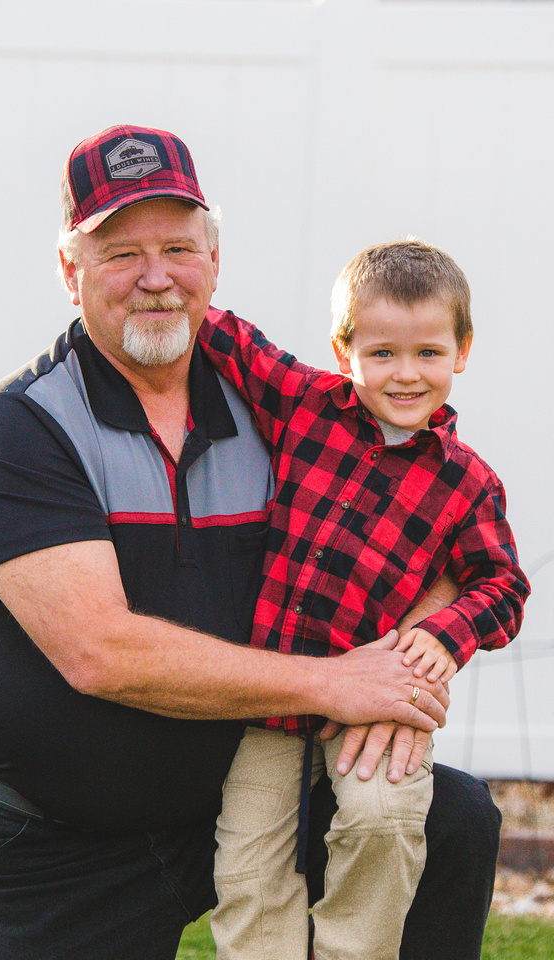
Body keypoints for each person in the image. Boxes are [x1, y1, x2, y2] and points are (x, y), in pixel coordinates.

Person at [0, 124, 497, 960]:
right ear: (70, 272)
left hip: (254, 783)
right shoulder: (25, 427)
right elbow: (101, 652)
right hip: (66, 845)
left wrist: (414, 645)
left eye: (179, 246)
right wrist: (339, 682)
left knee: (451, 818)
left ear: (214, 259)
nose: (157, 277)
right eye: (121, 253)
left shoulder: (289, 412)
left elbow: (429, 520)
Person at [197, 239, 529, 960]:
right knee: (250, 867)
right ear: (343, 350)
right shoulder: (306, 404)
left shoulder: (469, 482)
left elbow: (503, 586)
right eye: (380, 353)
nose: (405, 375)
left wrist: (446, 632)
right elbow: (229, 338)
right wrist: (174, 275)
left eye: (428, 354)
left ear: (462, 350)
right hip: (272, 704)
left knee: (383, 819)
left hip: (373, 700)